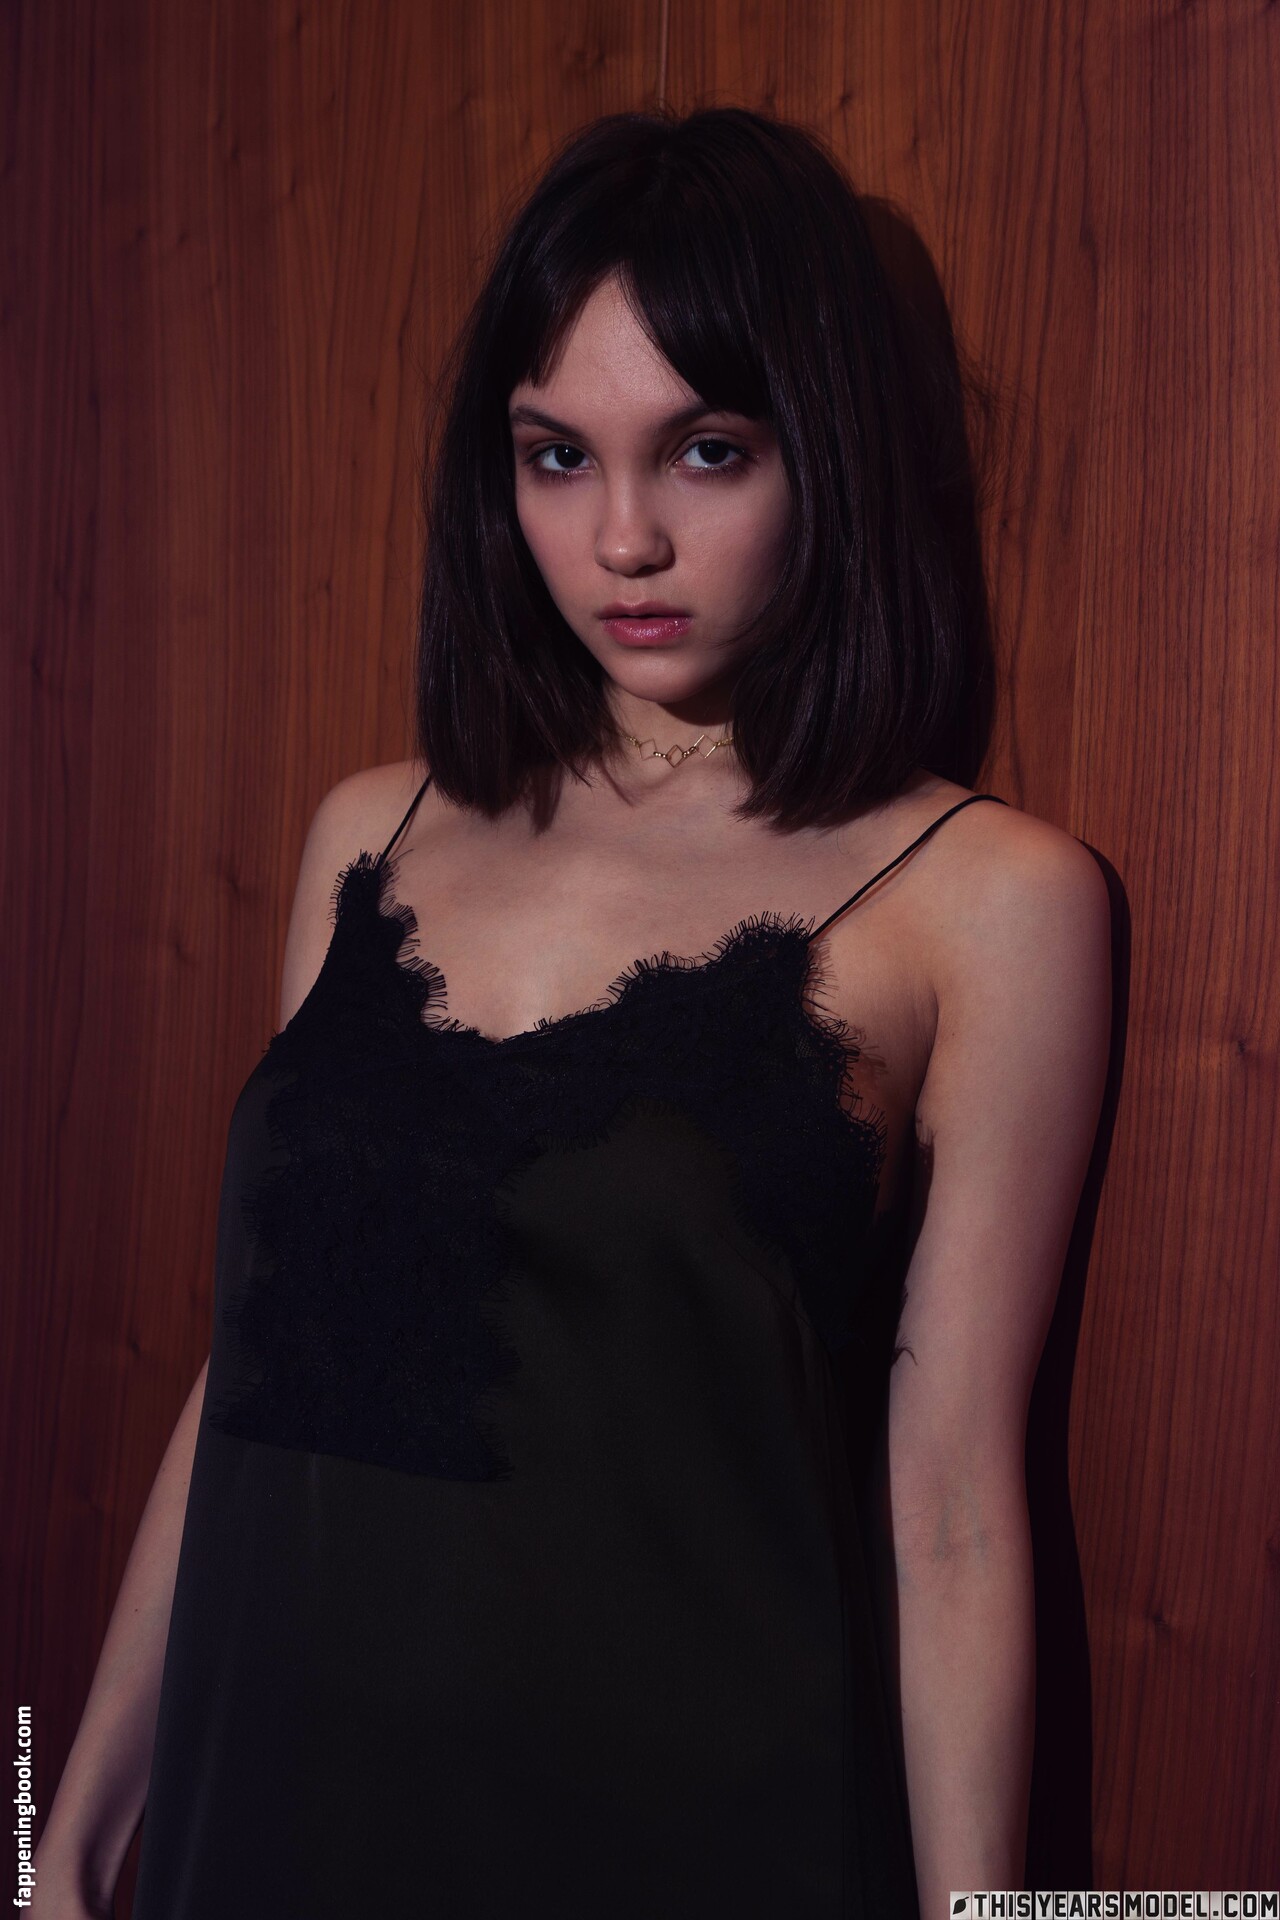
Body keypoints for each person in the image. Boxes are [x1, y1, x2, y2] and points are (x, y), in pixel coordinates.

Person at [33, 107, 1110, 1919]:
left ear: (827, 451)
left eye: (706, 451)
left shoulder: (989, 898)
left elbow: (949, 1505)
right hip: (270, 1815)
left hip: (687, 1832)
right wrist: (52, 1841)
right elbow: (262, 1363)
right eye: (556, 456)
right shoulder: (368, 833)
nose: (624, 538)